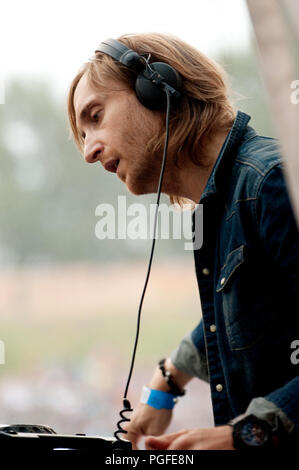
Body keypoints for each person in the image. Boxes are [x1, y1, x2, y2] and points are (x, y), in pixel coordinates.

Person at [67, 33, 299, 450]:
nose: (88, 151)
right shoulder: (222, 203)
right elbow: (248, 308)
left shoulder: (270, 184)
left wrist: (244, 434)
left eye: (96, 117)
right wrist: (166, 382)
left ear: (158, 90)